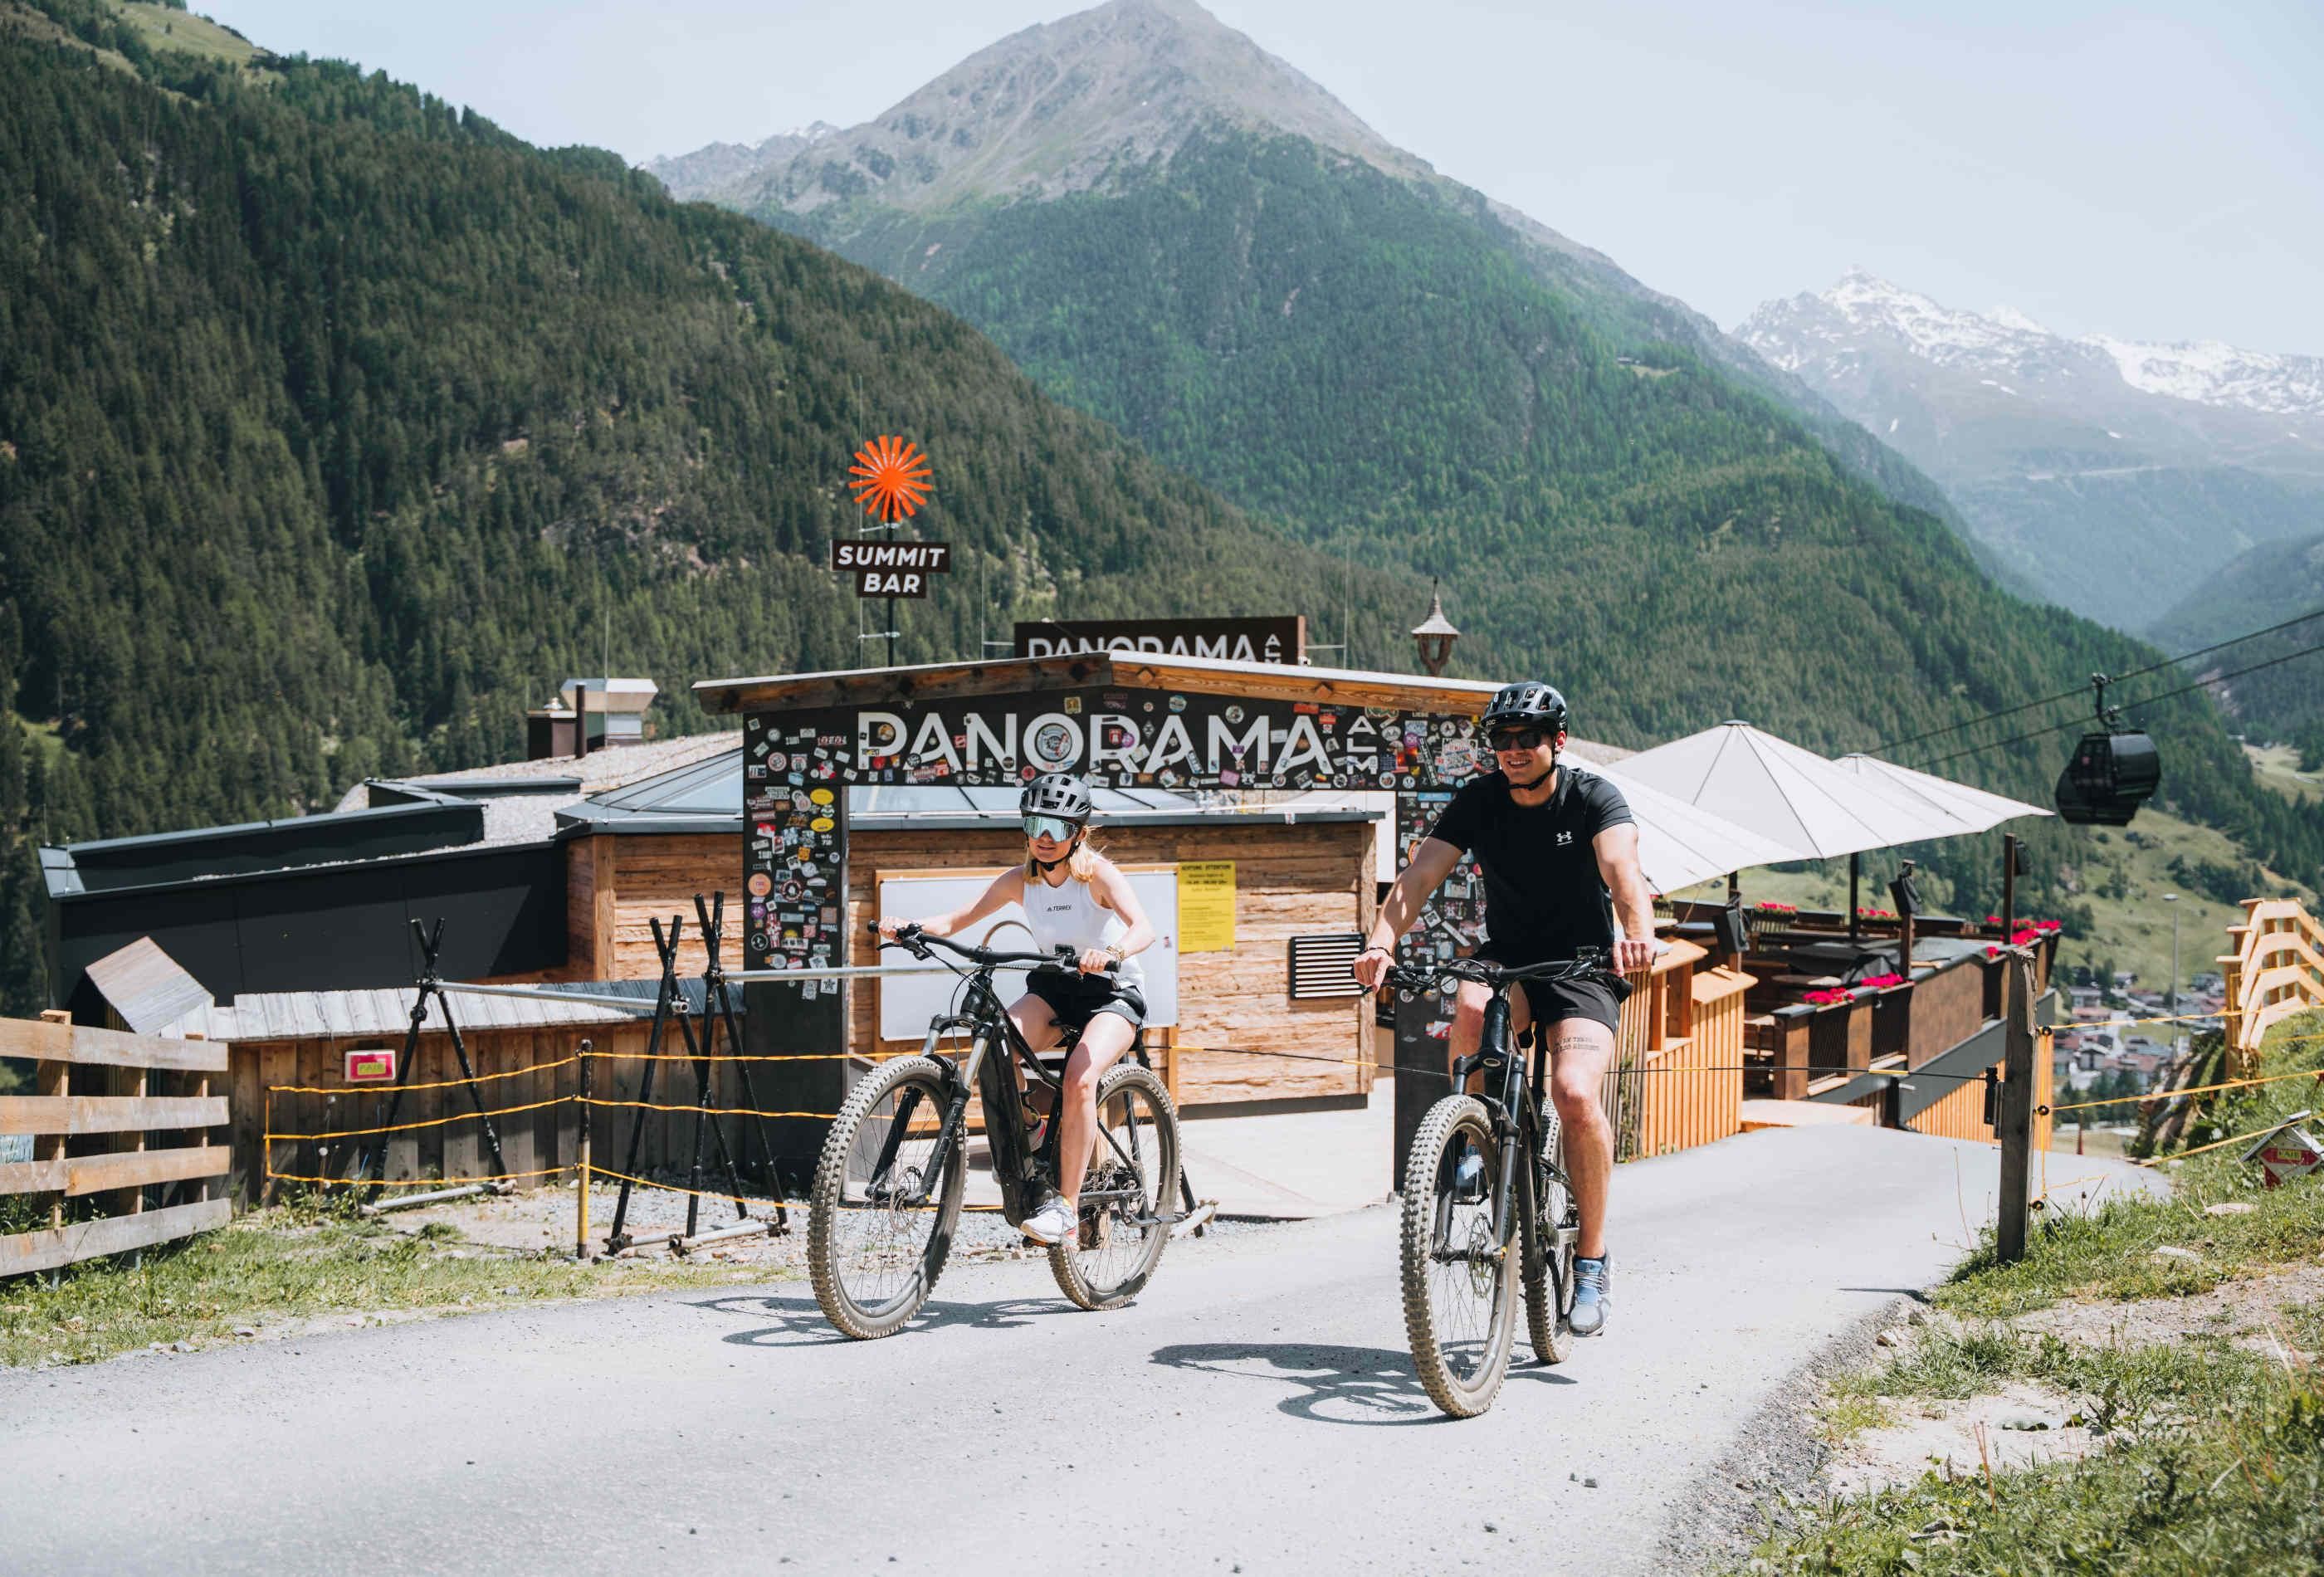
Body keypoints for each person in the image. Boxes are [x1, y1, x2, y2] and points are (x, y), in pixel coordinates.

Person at [1352, 681, 1657, 1337]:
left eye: (1528, 739)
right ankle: (1475, 1138)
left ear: (1558, 741)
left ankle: (1592, 1261)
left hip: (1582, 965)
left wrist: (1636, 932)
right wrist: (1381, 942)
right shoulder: (1480, 800)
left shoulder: (1593, 798)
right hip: (1510, 958)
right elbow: (1419, 877)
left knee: (1574, 1093)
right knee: (1469, 1004)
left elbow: (1622, 870)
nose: (1513, 751)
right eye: (1502, 740)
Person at [878, 773, 1156, 1247]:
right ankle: (1031, 1130)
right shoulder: (1020, 880)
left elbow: (1143, 927)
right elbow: (958, 919)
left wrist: (1112, 953)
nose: (1044, 837)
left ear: (1078, 833)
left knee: (1079, 1080)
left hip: (1111, 991)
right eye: (1035, 824)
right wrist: (911, 927)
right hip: (1055, 987)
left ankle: (1067, 1211)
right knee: (996, 1047)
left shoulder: (1098, 875)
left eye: (1057, 826)